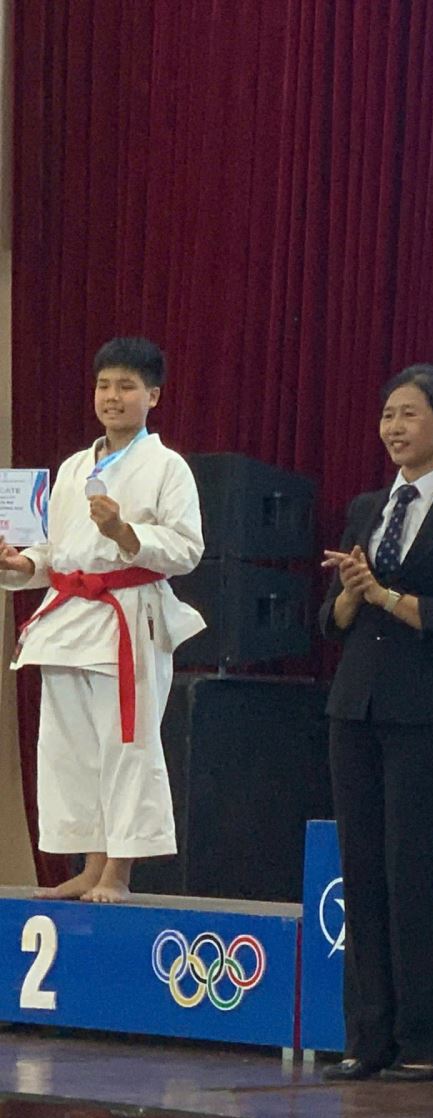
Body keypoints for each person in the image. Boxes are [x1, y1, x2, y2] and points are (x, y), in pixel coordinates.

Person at [318, 365, 433, 1082]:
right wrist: (350, 594)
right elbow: (333, 619)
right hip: (355, 708)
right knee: (361, 875)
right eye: (387, 415)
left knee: (410, 875)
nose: (394, 428)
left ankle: (426, 1041)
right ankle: (366, 1037)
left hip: (427, 717)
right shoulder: (369, 506)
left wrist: (388, 596)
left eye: (410, 414)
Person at [0, 336, 204, 903]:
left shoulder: (167, 467)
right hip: (69, 620)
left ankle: (119, 871)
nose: (112, 397)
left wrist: (123, 532)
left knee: (126, 745)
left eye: (127, 386)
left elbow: (187, 549)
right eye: (104, 385)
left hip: (127, 617)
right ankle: (89, 867)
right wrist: (22, 564)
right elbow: (58, 553)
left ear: (153, 396)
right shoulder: (72, 468)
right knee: (71, 751)